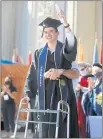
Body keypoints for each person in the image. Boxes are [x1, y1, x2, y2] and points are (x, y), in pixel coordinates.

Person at [24, 10, 79, 138]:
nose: (47, 34)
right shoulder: (39, 54)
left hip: (62, 95)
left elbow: (71, 43)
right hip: (45, 96)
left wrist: (65, 23)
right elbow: (31, 75)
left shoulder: (64, 50)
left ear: (57, 33)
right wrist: (28, 94)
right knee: (44, 130)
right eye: (45, 32)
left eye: (51, 31)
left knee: (62, 130)